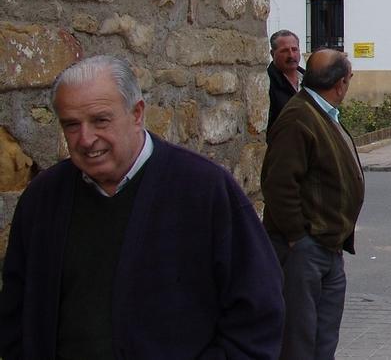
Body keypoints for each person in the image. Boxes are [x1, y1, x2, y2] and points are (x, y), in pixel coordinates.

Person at [0, 55, 284, 359]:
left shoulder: (204, 189)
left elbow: (258, 311)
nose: (85, 139)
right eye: (71, 125)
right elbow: (18, 310)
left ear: (137, 114)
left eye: (100, 120)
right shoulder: (43, 198)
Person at [261, 48, 365, 359]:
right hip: (304, 249)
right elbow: (278, 184)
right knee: (299, 338)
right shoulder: (298, 118)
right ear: (340, 84)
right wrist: (297, 237)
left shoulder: (320, 112)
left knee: (323, 336)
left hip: (327, 246)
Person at [267, 29, 304, 130]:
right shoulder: (267, 84)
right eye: (284, 51)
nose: (291, 55)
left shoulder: (310, 80)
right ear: (272, 53)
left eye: (294, 49)